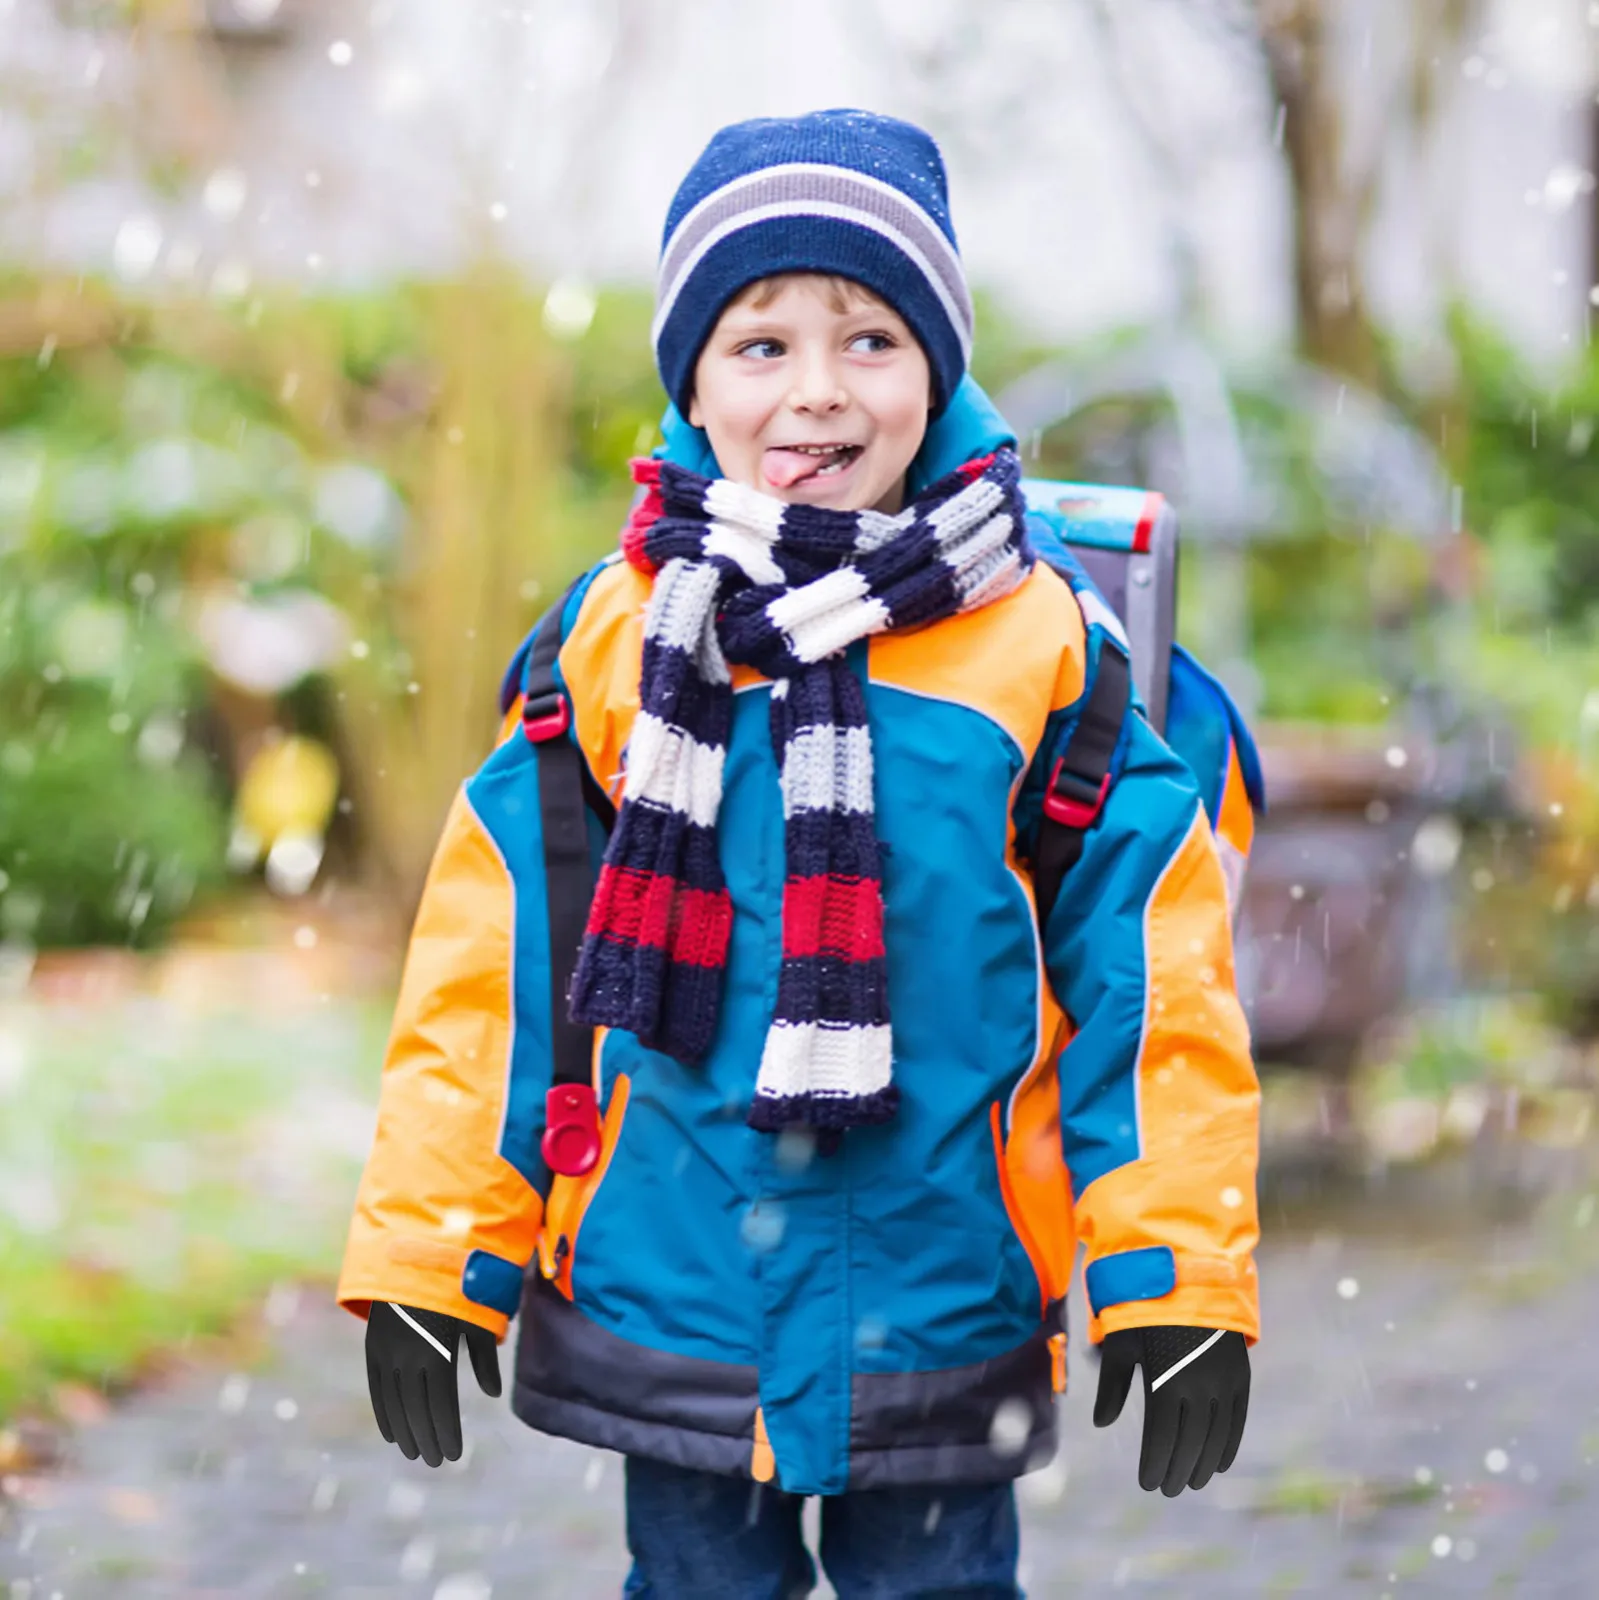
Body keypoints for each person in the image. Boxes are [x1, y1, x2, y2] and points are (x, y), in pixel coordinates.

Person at [337, 109, 1260, 1600]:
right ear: (689, 383)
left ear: (938, 370)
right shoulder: (615, 641)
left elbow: (1154, 989)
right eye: (761, 343)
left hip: (945, 1281)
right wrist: (435, 1256)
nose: (817, 391)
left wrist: (1177, 1277)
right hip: (673, 1278)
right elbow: (495, 971)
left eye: (872, 339)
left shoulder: (1038, 647)